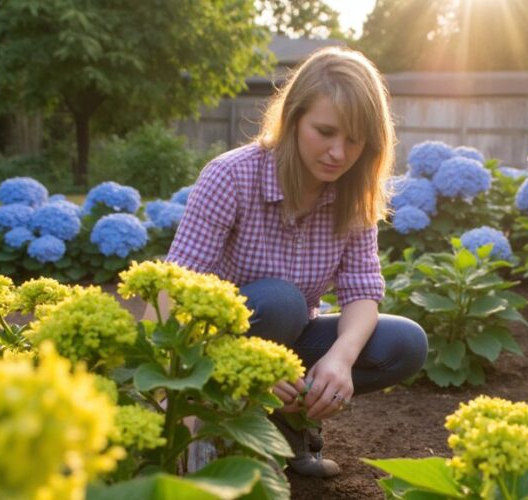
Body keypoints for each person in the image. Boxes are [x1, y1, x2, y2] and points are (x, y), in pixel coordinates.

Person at [164, 46, 428, 477]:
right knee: (280, 301)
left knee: (405, 344)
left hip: (291, 342)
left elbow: (362, 292)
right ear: (293, 119)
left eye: (354, 140)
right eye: (325, 131)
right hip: (215, 346)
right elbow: (174, 290)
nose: (338, 153)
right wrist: (191, 400)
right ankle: (218, 433)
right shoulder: (231, 176)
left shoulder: (353, 193)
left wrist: (339, 360)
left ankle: (285, 428)